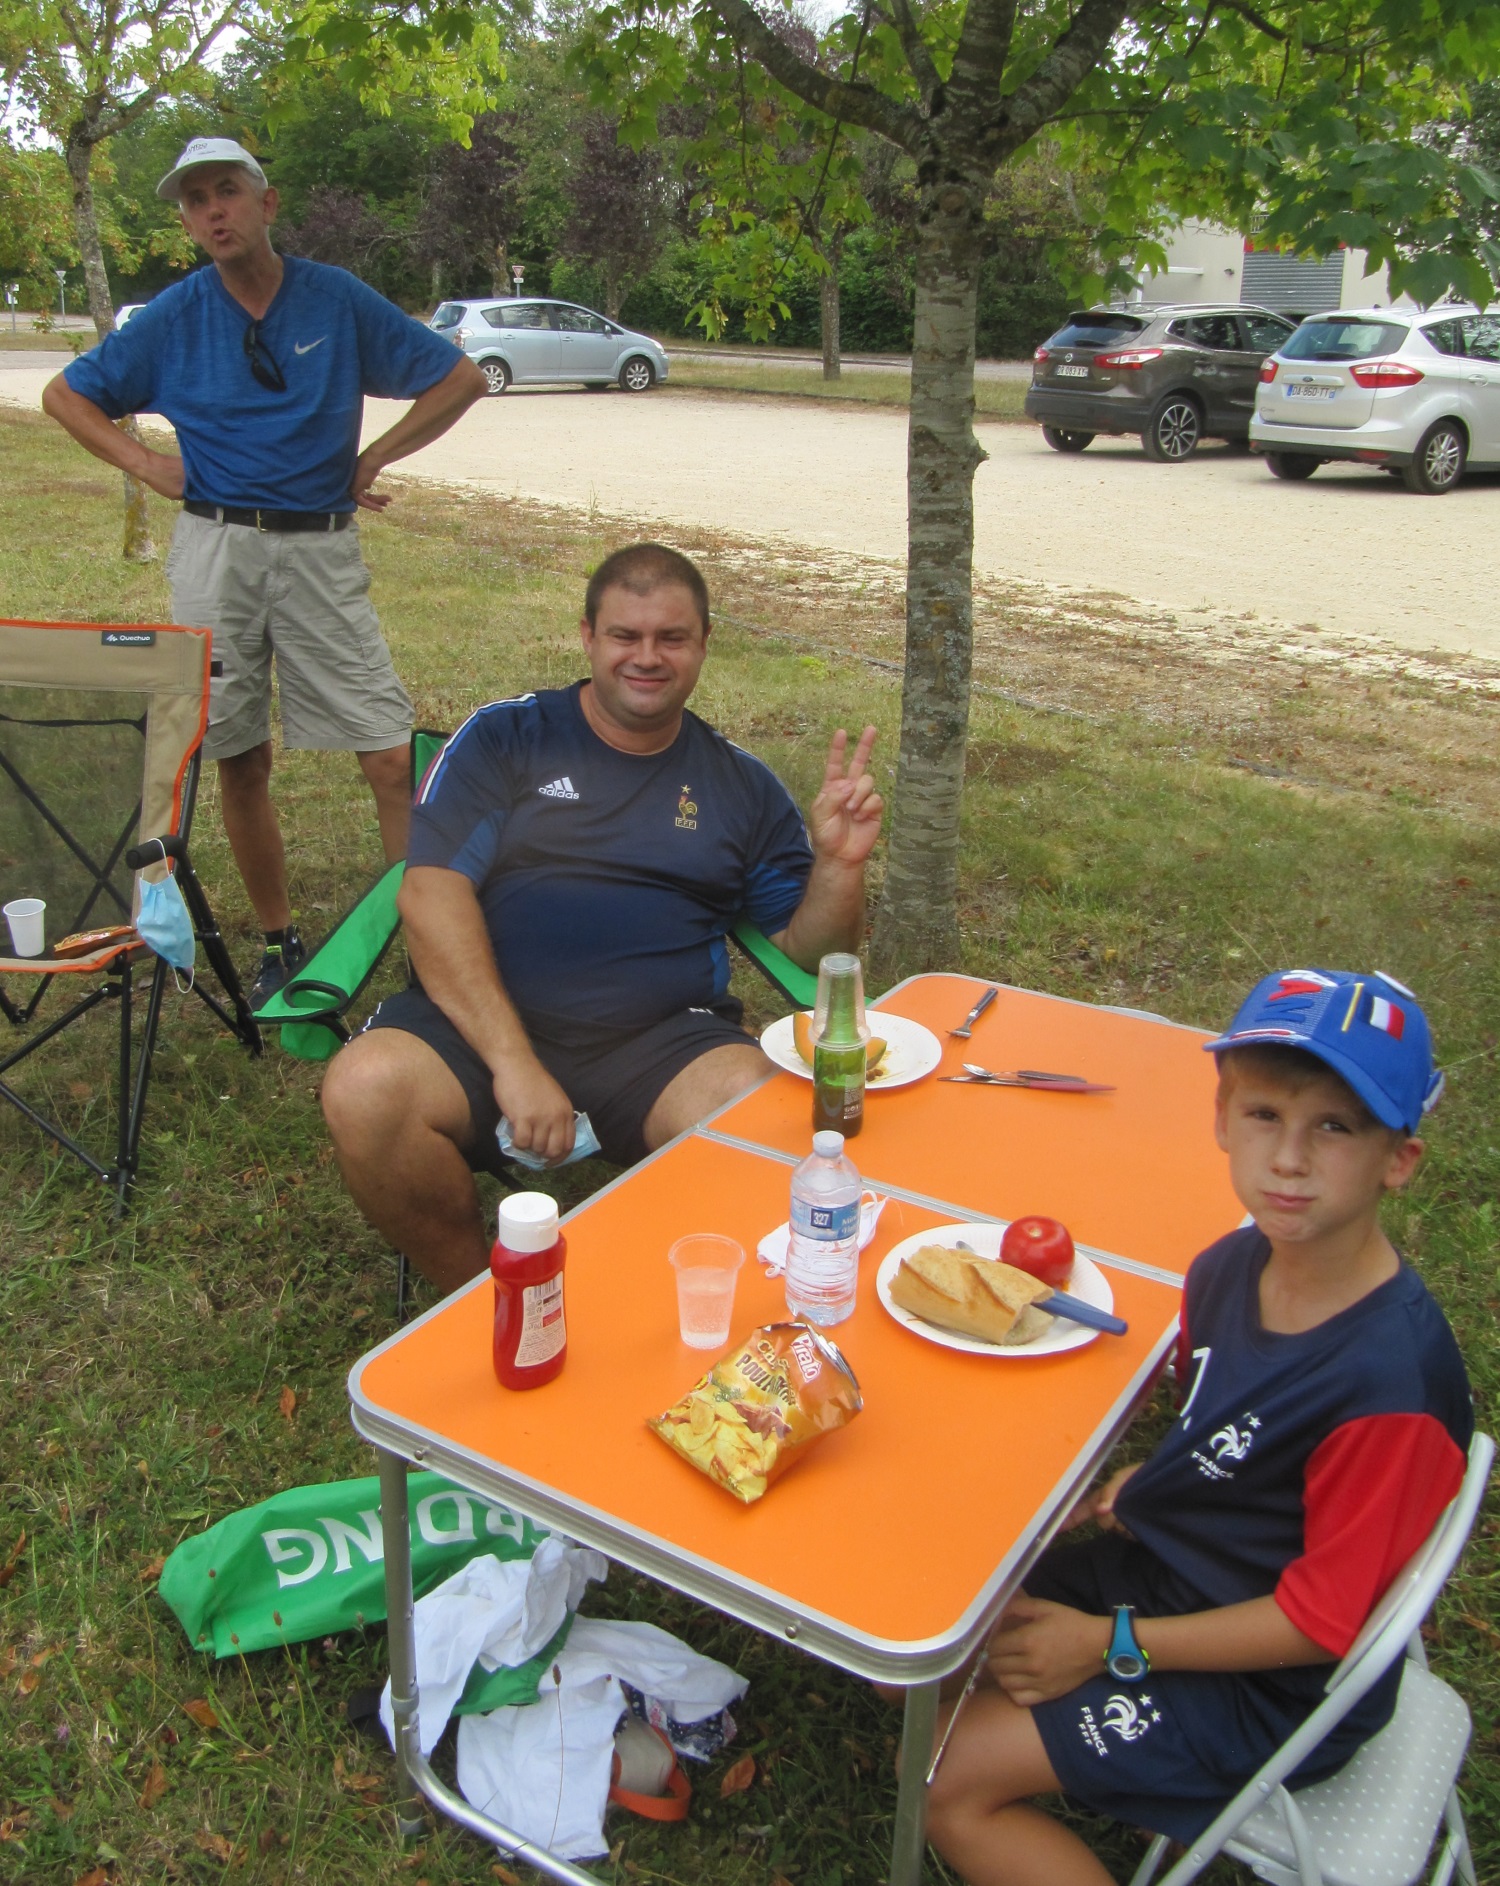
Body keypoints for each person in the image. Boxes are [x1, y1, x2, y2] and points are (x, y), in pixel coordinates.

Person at [925, 967, 1472, 1886]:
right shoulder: (1229, 1266)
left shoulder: (1388, 1390)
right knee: (936, 1637)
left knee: (942, 1783)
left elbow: (1315, 1627)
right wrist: (1143, 1488)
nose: (1289, 1159)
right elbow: (1236, 1439)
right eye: (1265, 1116)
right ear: (1221, 1118)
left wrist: (1107, 1647)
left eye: (1334, 1127)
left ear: (1398, 1160)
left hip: (1271, 1687)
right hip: (1185, 1573)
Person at [320, 542, 883, 1292]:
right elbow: (430, 893)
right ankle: (473, 1303)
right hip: (478, 1027)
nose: (647, 657)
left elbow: (809, 949)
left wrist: (840, 867)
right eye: (625, 635)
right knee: (366, 1088)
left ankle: (658, 1307)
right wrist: (514, 1064)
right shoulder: (506, 738)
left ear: (704, 646)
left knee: (760, 1116)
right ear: (588, 637)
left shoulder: (740, 784)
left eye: (671, 638)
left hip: (660, 1041)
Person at [41, 136, 486, 1006]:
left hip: (320, 548)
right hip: (216, 551)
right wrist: (147, 465)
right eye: (195, 200)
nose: (213, 211)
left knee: (390, 756)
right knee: (239, 757)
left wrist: (374, 459)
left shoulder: (336, 299)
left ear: (266, 203)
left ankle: (426, 948)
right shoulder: (174, 315)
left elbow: (459, 378)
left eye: (228, 192)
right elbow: (67, 394)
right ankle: (280, 941)